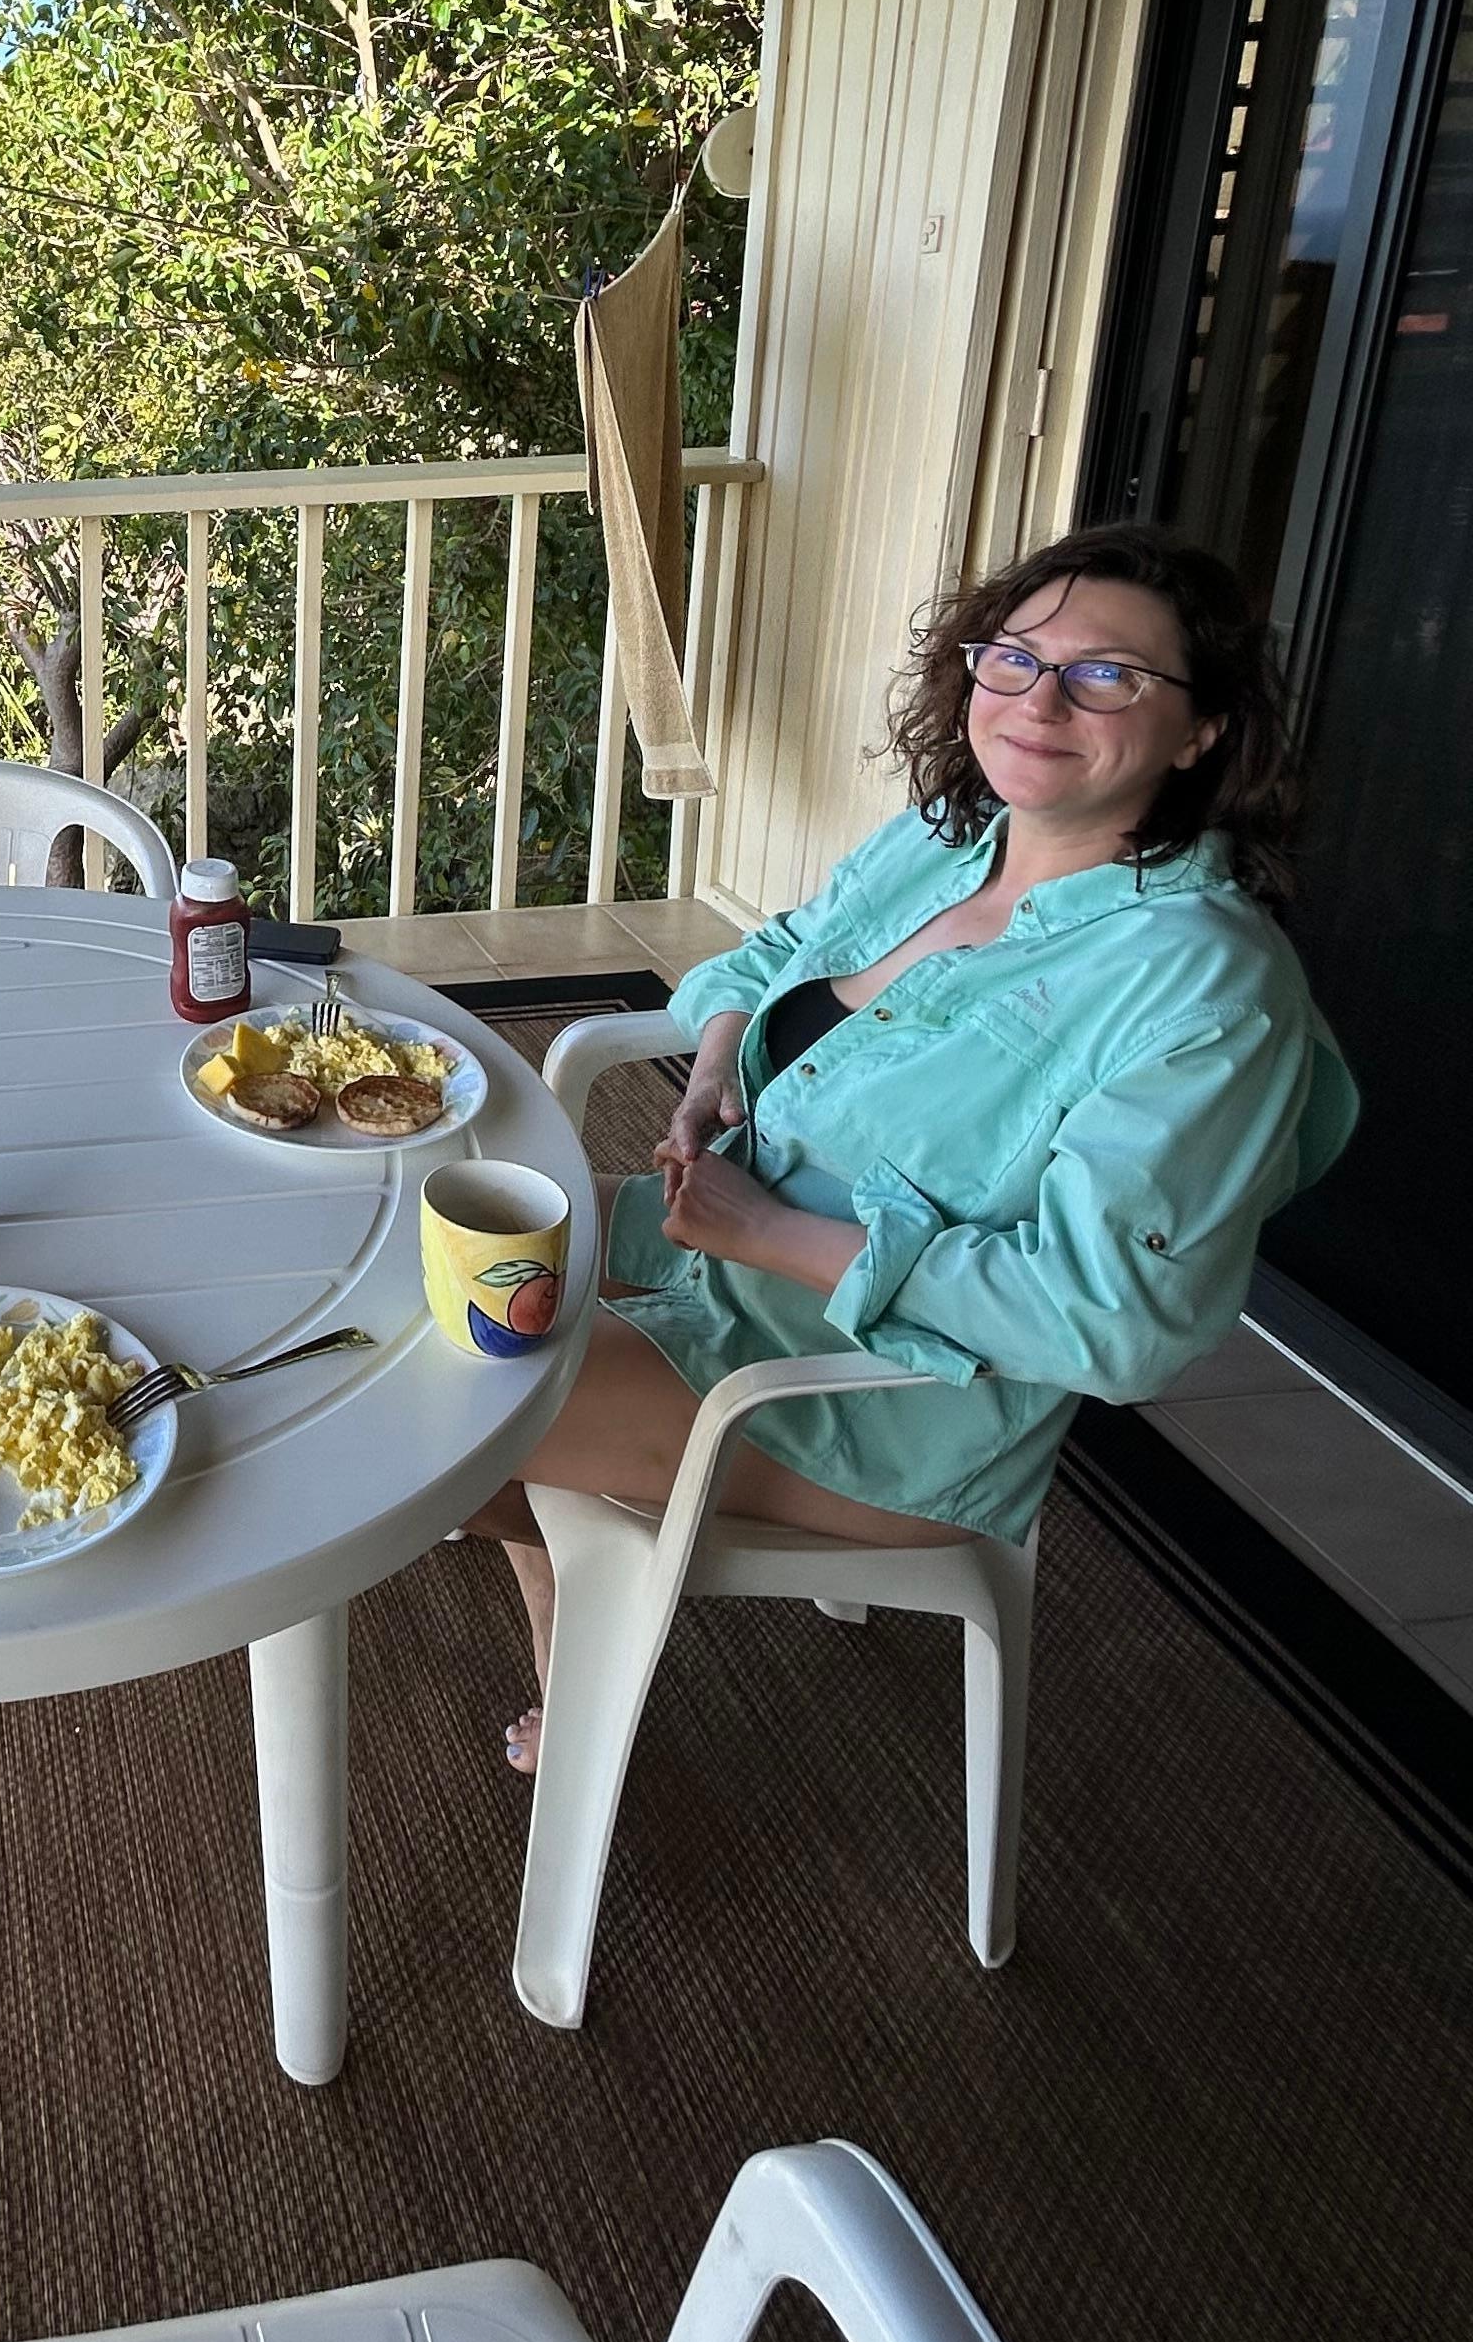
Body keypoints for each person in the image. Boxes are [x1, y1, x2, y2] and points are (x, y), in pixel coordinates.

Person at [460, 522, 1357, 1773]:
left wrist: (777, 1234)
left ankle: (581, 1643)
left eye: (1107, 674)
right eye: (1015, 657)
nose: (1040, 700)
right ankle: (580, 1624)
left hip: (876, 1402)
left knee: (440, 1406)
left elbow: (1118, 1328)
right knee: (434, 1266)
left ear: (1202, 729)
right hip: (708, 1254)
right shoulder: (943, 841)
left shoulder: (1205, 989)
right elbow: (775, 955)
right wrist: (717, 1066)